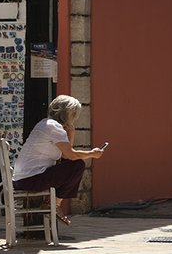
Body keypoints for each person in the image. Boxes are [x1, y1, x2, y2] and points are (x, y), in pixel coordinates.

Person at [13, 95, 104, 225]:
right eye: (74, 115)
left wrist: (71, 134)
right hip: (30, 180)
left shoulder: (45, 123)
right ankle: (54, 204)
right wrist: (92, 154)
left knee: (70, 164)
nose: (74, 118)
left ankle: (53, 204)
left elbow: (65, 155)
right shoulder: (54, 127)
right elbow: (71, 155)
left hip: (23, 179)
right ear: (67, 113)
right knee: (77, 165)